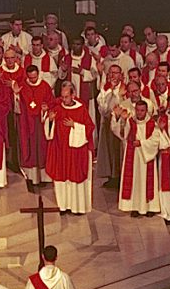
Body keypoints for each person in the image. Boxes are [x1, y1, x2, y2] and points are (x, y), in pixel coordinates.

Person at [45, 84, 95, 214]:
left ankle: (77, 207)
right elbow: (49, 131)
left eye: (66, 97)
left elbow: (90, 128)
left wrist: (75, 125)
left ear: (73, 95)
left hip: (76, 152)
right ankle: (63, 206)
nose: (64, 100)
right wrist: (50, 120)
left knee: (75, 176)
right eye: (62, 97)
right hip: (60, 150)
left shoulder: (81, 109)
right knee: (61, 177)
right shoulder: (58, 109)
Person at [114, 100, 161, 216]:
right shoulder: (130, 121)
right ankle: (134, 206)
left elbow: (156, 141)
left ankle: (149, 207)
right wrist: (122, 120)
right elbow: (122, 135)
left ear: (146, 111)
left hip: (146, 156)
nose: (140, 113)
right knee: (134, 180)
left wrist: (142, 143)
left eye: (142, 110)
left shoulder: (152, 123)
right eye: (138, 110)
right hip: (133, 155)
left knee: (147, 180)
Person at [14, 65, 54, 187]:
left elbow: (51, 102)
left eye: (34, 77)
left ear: (38, 74)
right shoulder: (22, 86)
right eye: (30, 78)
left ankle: (43, 178)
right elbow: (17, 108)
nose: (32, 80)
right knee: (29, 147)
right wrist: (16, 95)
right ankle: (31, 178)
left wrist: (46, 108)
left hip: (40, 123)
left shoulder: (45, 86)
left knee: (41, 148)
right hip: (26, 122)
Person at [97, 64, 126, 188]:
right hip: (107, 122)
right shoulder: (105, 89)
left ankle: (120, 177)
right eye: (111, 73)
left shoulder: (125, 88)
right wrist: (110, 92)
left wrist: (118, 95)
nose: (113, 75)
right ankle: (111, 177)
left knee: (118, 151)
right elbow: (103, 109)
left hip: (121, 123)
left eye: (116, 73)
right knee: (109, 151)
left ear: (121, 75)